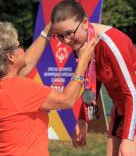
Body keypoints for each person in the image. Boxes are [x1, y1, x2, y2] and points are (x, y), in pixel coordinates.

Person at [51, 0, 136, 156]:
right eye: (60, 36)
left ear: (84, 22)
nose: (66, 41)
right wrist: (83, 120)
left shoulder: (112, 43)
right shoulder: (82, 42)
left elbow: (132, 92)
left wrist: (128, 139)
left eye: (69, 33)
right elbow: (92, 83)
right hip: (121, 109)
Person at [0, 21, 95, 156]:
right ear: (10, 56)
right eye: (20, 45)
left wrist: (46, 33)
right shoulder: (21, 88)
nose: (23, 49)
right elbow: (66, 100)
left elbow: (25, 65)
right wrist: (83, 62)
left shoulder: (5, 85)